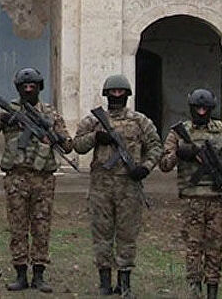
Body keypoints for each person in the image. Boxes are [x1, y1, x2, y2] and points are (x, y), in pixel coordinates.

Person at [0, 66, 73, 293]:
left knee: (41, 226)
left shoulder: (50, 114)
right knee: (17, 227)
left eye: (33, 86)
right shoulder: (7, 111)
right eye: (24, 86)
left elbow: (68, 145)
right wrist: (4, 120)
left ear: (40, 87)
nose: (29, 89)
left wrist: (55, 137)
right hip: (16, 177)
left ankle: (39, 274)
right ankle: (20, 273)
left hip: (43, 179)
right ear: (18, 88)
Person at [72, 75, 162, 297]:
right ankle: (104, 281)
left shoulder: (140, 121)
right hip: (101, 186)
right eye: (113, 92)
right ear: (106, 94)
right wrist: (96, 137)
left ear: (127, 95)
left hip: (128, 186)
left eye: (121, 92)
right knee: (101, 235)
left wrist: (145, 167)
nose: (116, 96)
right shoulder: (93, 121)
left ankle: (124, 282)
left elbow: (156, 147)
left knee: (127, 235)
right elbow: (77, 145)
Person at [158, 89, 222, 299]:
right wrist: (179, 152)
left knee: (215, 248)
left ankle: (212, 290)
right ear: (191, 108)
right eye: (198, 108)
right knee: (193, 248)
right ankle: (194, 290)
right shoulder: (179, 132)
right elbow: (164, 164)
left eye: (205, 108)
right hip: (192, 199)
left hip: (217, 199)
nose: (201, 112)